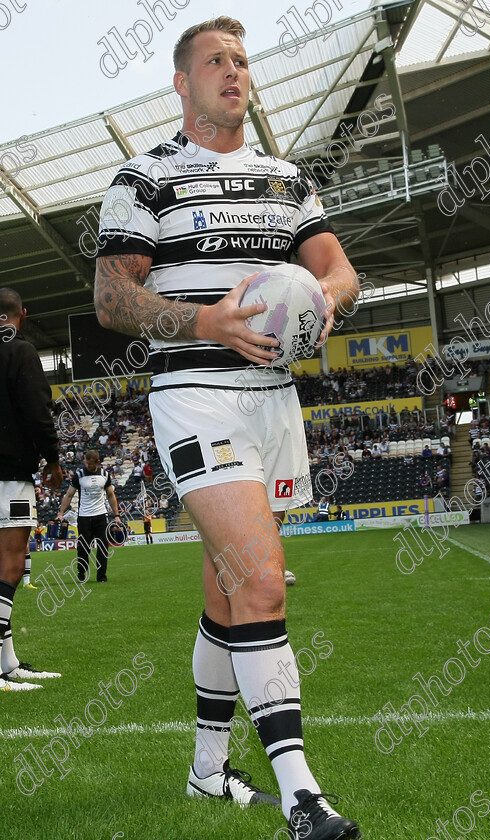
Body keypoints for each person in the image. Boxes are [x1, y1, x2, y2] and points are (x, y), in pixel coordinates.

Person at [94, 17, 360, 840]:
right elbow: (112, 298)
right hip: (196, 393)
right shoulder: (145, 176)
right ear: (182, 84)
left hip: (274, 399)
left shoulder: (288, 178)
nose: (233, 71)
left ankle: (208, 773)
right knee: (262, 579)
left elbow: (339, 271)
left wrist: (319, 307)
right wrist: (208, 323)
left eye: (241, 60)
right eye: (215, 61)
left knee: (226, 589)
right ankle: (303, 797)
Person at [0, 288, 63, 690]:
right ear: (22, 314)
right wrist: (53, 459)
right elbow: (38, 410)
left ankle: (7, 663)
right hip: (9, 473)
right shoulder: (21, 352)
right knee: (9, 565)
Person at [57, 450, 122, 583]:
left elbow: (110, 495)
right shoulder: (79, 475)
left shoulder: (105, 475)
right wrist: (61, 513)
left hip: (101, 515)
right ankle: (82, 571)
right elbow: (69, 495)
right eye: (86, 463)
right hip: (84, 517)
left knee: (103, 547)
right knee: (83, 548)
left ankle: (101, 576)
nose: (87, 466)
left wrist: (116, 514)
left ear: (97, 462)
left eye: (90, 464)